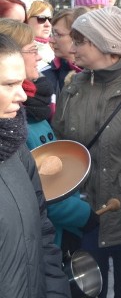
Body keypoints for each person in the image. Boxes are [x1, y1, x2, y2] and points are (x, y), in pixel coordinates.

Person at [53, 6, 121, 298]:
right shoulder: (72, 89)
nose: (72, 49)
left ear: (105, 43)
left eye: (80, 41)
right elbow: (63, 152)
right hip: (86, 221)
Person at [0, 34, 70, 298]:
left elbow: (42, 236)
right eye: (9, 84)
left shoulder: (16, 146)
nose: (21, 95)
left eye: (22, 83)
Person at [26, 0, 54, 71]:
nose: (48, 24)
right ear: (26, 20)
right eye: (41, 19)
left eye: (50, 19)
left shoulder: (57, 50)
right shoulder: (19, 52)